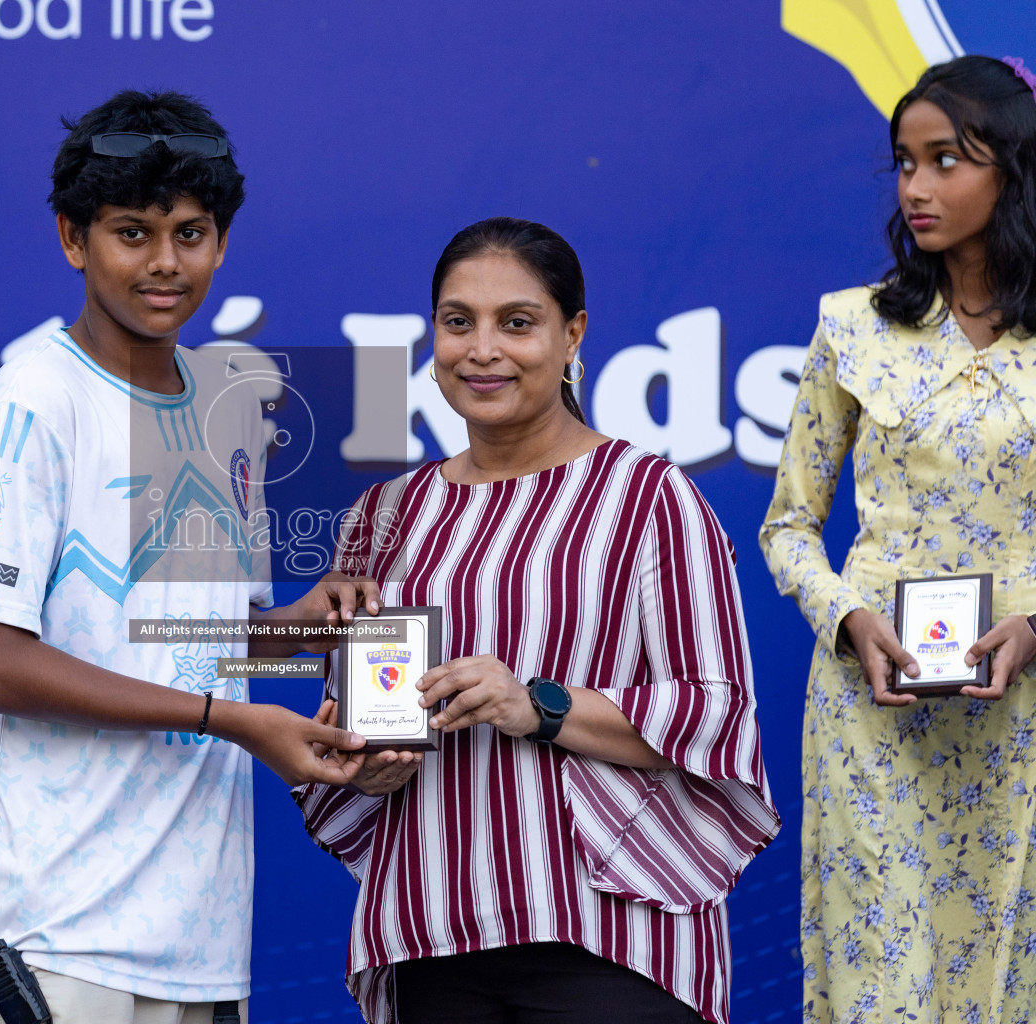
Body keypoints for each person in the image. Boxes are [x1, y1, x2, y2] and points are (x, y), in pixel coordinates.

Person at [0, 90, 378, 1024]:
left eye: (191, 233)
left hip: (200, 940)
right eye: (132, 233)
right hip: (60, 936)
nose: (166, 263)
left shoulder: (222, 403)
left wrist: (298, 628)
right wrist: (236, 720)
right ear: (73, 240)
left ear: (222, 243)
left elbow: (182, 654)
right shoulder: (35, 399)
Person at [297, 217, 779, 1024]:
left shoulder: (649, 497)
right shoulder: (382, 518)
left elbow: (713, 716)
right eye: (459, 323)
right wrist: (367, 762)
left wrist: (537, 705)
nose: (483, 349)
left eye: (517, 323)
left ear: (572, 336)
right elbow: (355, 717)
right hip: (429, 931)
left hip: (611, 937)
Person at [760, 55, 1036, 1024]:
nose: (917, 187)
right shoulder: (852, 326)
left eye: (946, 160)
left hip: (1024, 715)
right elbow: (789, 525)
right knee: (882, 979)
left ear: (1013, 168)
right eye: (904, 163)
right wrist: (846, 618)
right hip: (872, 711)